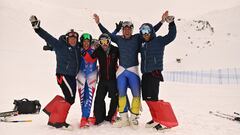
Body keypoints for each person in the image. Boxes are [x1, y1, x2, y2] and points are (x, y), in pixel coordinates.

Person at [93, 12, 168, 129]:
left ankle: (133, 118)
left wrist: (162, 22)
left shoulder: (137, 38)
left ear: (132, 30)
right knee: (121, 94)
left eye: (129, 29)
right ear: (122, 30)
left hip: (133, 70)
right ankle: (124, 119)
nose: (127, 31)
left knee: (136, 94)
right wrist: (99, 23)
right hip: (122, 71)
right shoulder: (118, 39)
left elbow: (150, 31)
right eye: (125, 29)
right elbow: (107, 34)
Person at [29, 15, 80, 129]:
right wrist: (37, 29)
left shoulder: (77, 47)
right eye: (71, 38)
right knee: (70, 98)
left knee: (69, 99)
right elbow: (48, 37)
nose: (73, 40)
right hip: (63, 75)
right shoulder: (60, 45)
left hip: (72, 76)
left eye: (75, 38)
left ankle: (50, 109)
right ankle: (56, 121)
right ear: (67, 38)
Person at [139, 15, 177, 130]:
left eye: (147, 31)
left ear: (151, 32)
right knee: (147, 98)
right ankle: (155, 118)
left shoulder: (159, 41)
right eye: (143, 31)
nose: (145, 34)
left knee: (153, 99)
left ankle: (159, 121)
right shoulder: (142, 44)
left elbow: (171, 36)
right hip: (145, 74)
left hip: (154, 74)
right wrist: (160, 22)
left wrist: (171, 24)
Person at [91, 33, 119, 125]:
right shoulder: (98, 50)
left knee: (114, 98)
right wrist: (91, 47)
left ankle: (112, 116)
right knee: (99, 98)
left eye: (106, 41)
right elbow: (90, 57)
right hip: (102, 80)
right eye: (101, 42)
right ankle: (99, 117)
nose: (104, 44)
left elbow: (124, 58)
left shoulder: (115, 50)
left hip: (113, 79)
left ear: (109, 41)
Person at [76, 33, 98, 128]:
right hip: (81, 74)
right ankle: (84, 117)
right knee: (82, 97)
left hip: (92, 75)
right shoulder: (78, 48)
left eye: (88, 41)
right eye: (84, 41)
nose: (86, 43)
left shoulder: (94, 48)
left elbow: (107, 39)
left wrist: (116, 30)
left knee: (89, 97)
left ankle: (85, 117)